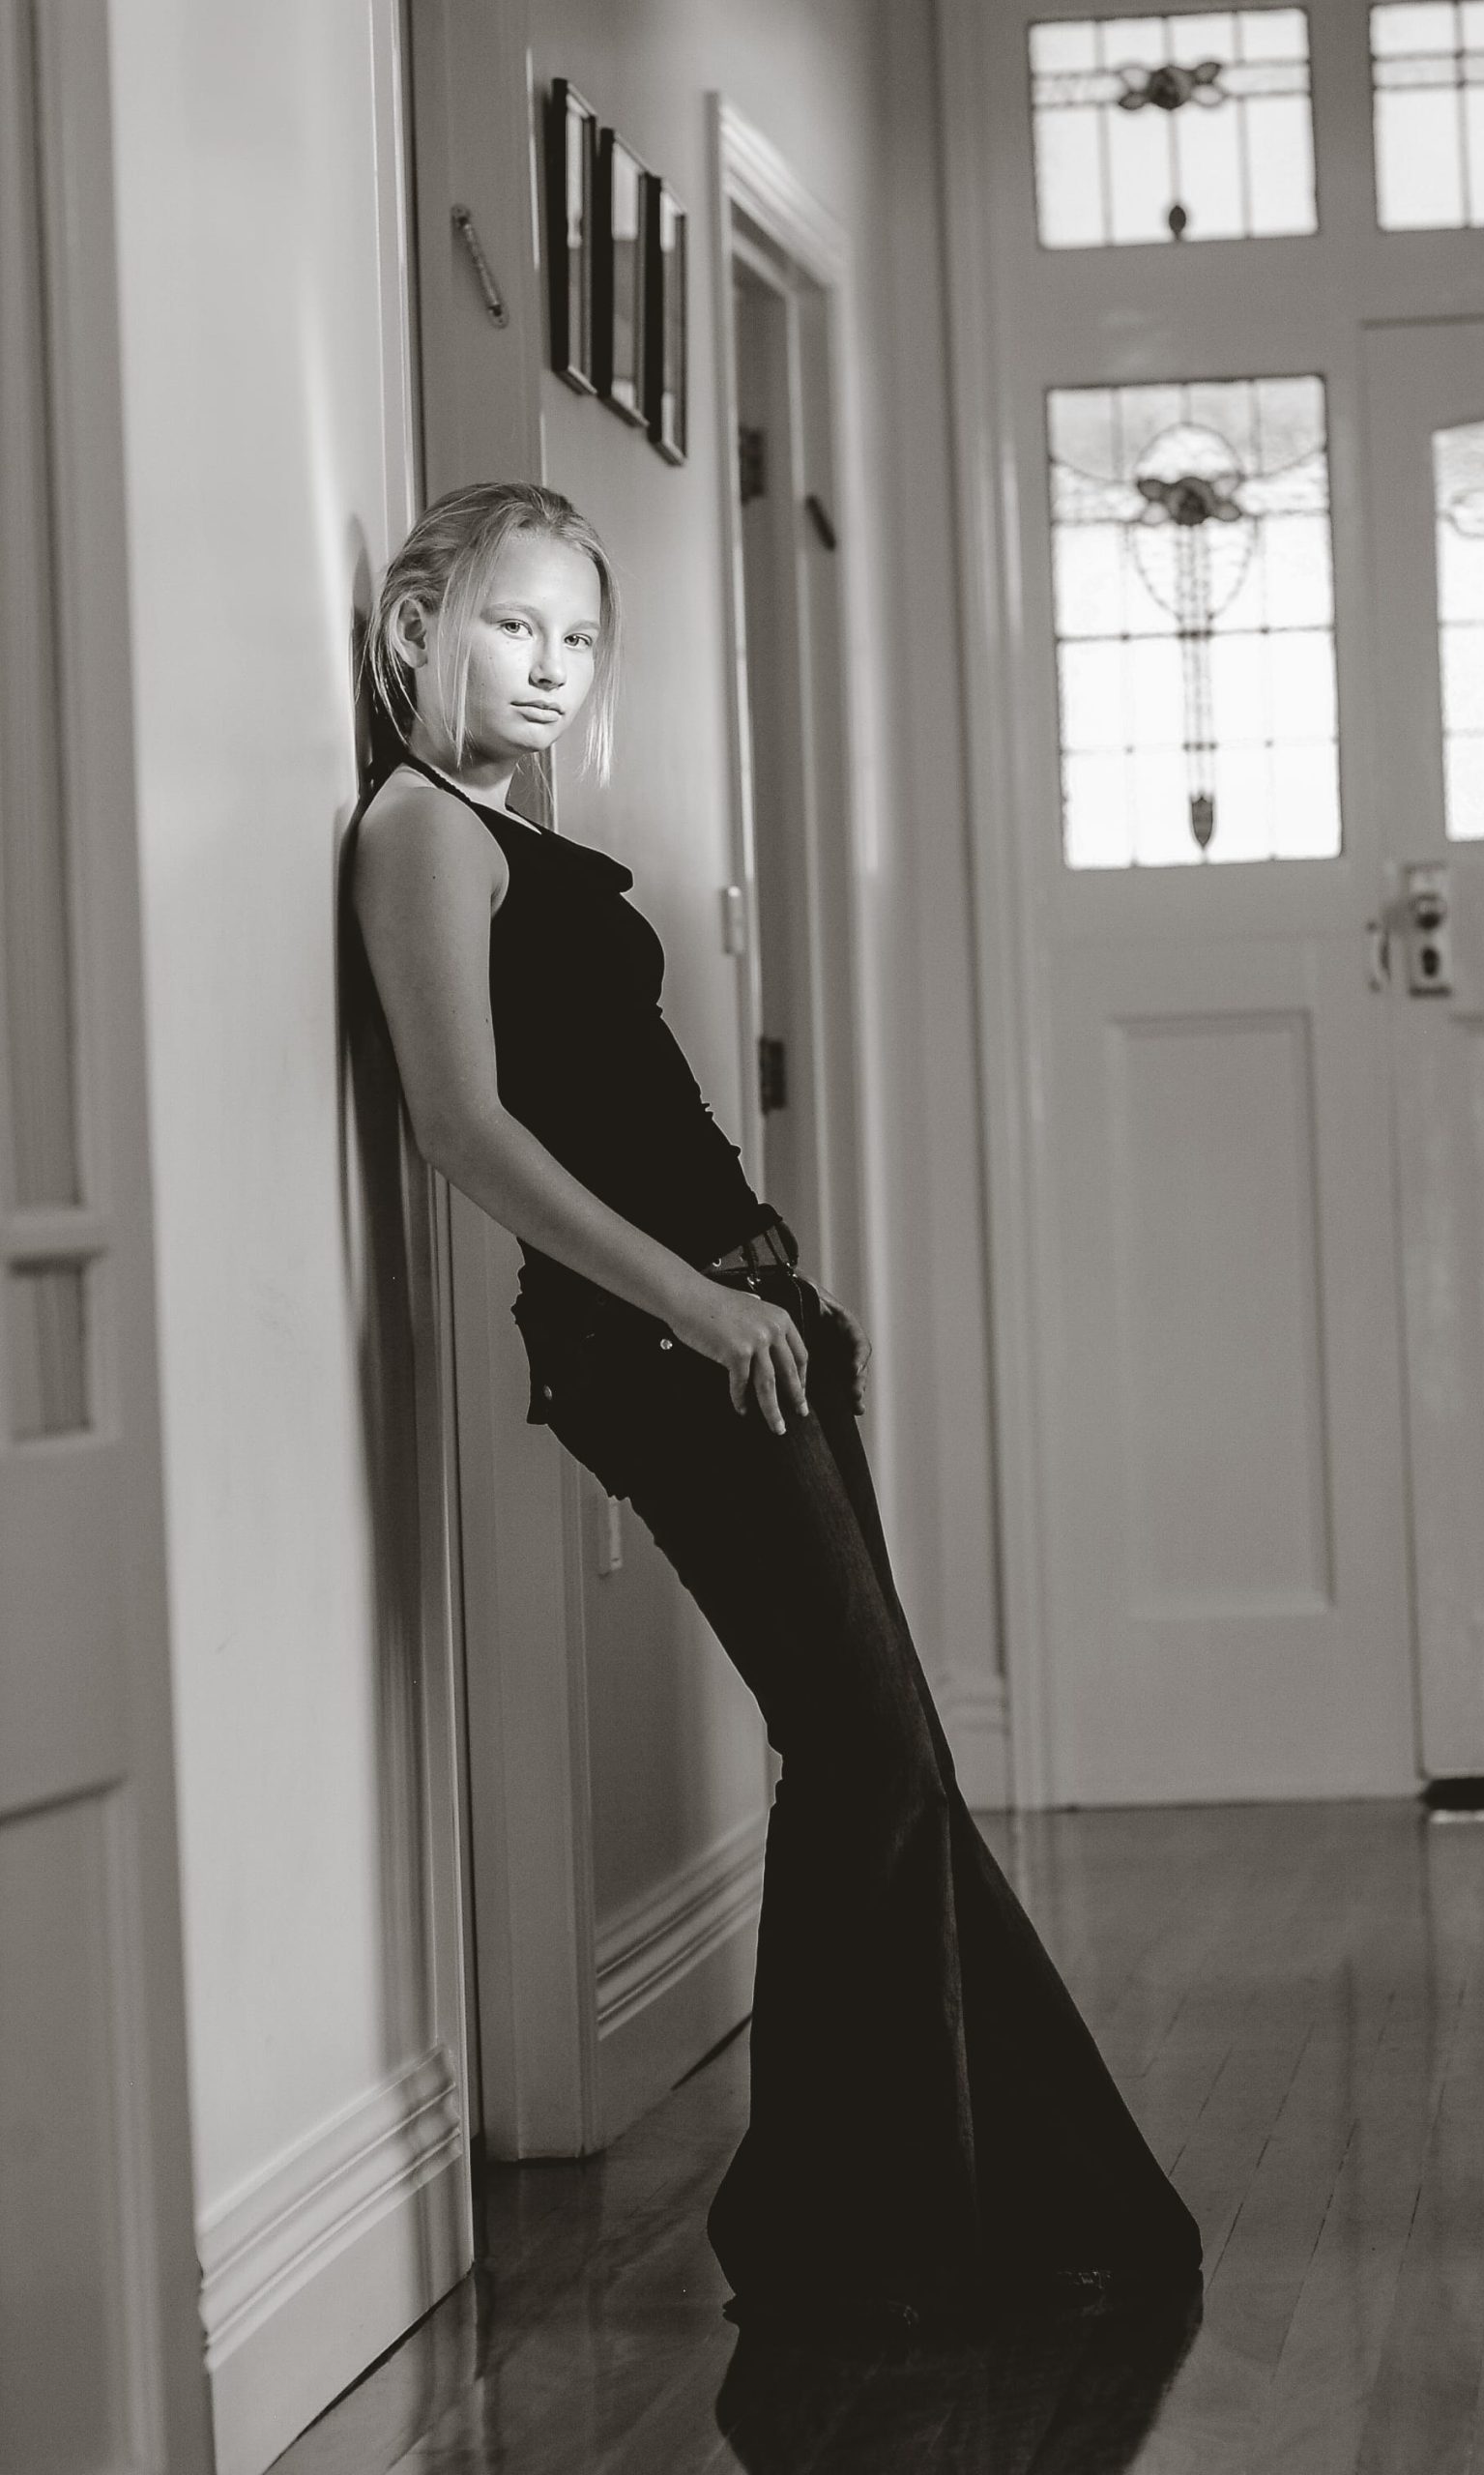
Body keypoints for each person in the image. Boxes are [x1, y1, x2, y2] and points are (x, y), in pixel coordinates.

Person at [348, 479, 1202, 2337]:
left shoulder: (515, 828)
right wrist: (692, 1302)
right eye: (513, 625)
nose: (553, 666)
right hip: (665, 1342)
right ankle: (843, 2237)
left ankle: (957, 2209)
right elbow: (461, 1129)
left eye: (581, 636)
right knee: (872, 1750)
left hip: (746, 1323)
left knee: (886, 1755)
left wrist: (769, 1294)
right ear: (419, 626)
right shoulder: (419, 832)